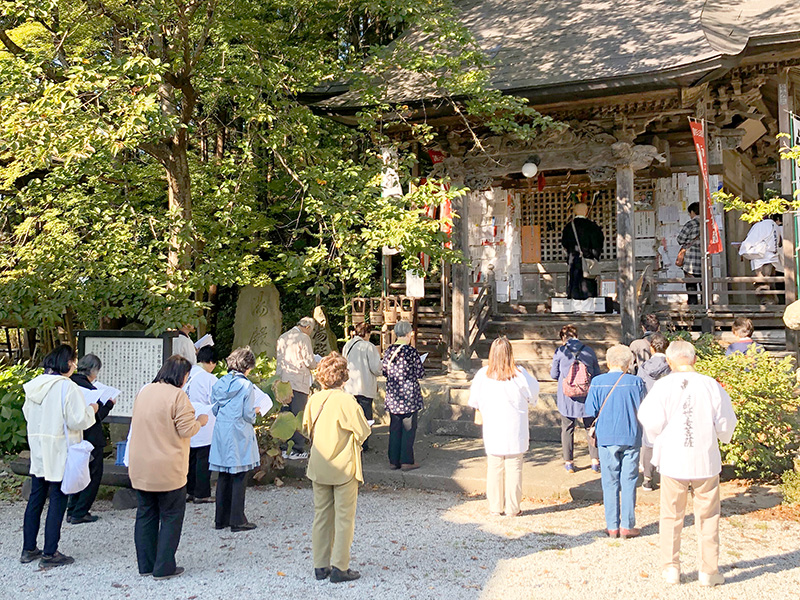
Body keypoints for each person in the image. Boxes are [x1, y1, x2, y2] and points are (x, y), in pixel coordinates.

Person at [638, 341, 737, 587]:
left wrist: (657, 437)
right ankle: (708, 571)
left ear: (669, 362)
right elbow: (726, 422)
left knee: (671, 515)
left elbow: (649, 420)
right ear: (693, 360)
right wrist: (720, 436)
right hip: (704, 457)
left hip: (673, 459)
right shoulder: (710, 384)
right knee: (709, 516)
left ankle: (671, 568)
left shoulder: (663, 386)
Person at [128, 355, 207, 579]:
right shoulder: (178, 396)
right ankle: (164, 567)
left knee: (146, 514)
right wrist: (200, 421)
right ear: (181, 376)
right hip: (168, 467)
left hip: (141, 465)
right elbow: (186, 430)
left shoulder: (145, 391)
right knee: (171, 516)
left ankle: (145, 565)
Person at [21, 345, 98, 568]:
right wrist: (92, 408)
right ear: (66, 363)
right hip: (60, 448)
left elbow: (28, 415)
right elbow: (77, 421)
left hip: (39, 448)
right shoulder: (67, 387)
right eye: (73, 361)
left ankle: (28, 549)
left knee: (36, 497)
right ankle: (50, 552)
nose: (74, 365)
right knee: (58, 499)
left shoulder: (34, 385)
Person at [303, 353, 371, 584]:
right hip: (343, 466)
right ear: (344, 376)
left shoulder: (314, 400)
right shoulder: (346, 401)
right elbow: (363, 431)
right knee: (344, 518)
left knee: (321, 515)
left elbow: (305, 428)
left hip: (319, 465)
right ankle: (340, 566)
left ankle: (320, 565)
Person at [468, 337, 540, 517]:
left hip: (493, 426)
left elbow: (474, 400)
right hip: (515, 427)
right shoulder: (520, 375)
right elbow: (533, 396)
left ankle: (495, 506)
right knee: (514, 467)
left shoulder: (482, 375)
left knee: (494, 467)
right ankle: (513, 508)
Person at [585, 345, 645, 538]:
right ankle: (627, 524)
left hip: (606, 436)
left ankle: (612, 525)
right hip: (631, 434)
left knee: (609, 481)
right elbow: (644, 409)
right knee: (629, 481)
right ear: (629, 363)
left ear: (608, 361)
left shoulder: (597, 382)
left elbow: (590, 410)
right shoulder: (636, 382)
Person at [209, 346, 260, 532]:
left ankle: (220, 519)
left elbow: (214, 407)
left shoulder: (220, 382)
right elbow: (248, 414)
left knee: (224, 474)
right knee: (239, 474)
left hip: (221, 428)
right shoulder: (246, 385)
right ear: (247, 366)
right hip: (238, 429)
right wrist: (256, 412)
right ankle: (237, 519)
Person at [67, 354, 115, 524]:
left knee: (77, 471)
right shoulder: (90, 389)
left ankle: (72, 509)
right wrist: (109, 404)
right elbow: (97, 415)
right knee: (93, 475)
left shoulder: (69, 384)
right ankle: (80, 512)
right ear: (93, 370)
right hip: (91, 437)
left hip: (73, 436)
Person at [550, 325, 601, 473]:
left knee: (567, 428)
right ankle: (595, 462)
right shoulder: (589, 350)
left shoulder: (560, 352)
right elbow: (597, 374)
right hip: (586, 395)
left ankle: (569, 463)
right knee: (590, 427)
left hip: (567, 397)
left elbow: (554, 374)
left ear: (563, 337)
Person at [382, 320, 425, 471]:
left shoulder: (389, 351)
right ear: (408, 334)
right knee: (408, 428)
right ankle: (406, 460)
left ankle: (393, 461)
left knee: (394, 428)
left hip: (394, 394)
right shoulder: (411, 351)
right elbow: (420, 372)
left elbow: (384, 371)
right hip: (409, 395)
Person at [276, 316, 317, 459]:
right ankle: (296, 449)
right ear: (307, 327)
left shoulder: (283, 337)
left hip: (283, 383)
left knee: (285, 414)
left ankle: (283, 447)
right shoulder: (304, 338)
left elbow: (279, 361)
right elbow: (309, 361)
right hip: (299, 381)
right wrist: (317, 363)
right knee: (298, 414)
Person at [637, 333, 671, 492]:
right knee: (669, 442)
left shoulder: (644, 367)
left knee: (648, 442)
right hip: (669, 407)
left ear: (651, 348)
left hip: (649, 406)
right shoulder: (672, 365)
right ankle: (668, 475)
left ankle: (647, 479)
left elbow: (639, 387)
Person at [184, 346, 219, 504]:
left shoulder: (187, 373)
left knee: (189, 458)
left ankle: (188, 491)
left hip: (186, 419)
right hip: (204, 422)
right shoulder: (208, 378)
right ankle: (202, 493)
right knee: (203, 459)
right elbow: (217, 400)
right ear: (211, 362)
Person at [342, 322, 382, 451]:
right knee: (365, 416)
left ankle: (351, 441)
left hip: (349, 386)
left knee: (351, 415)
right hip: (364, 386)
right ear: (367, 333)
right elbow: (376, 368)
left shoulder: (347, 345)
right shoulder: (369, 347)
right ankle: (363, 443)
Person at [560, 202, 604, 299]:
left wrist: (571, 254)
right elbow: (598, 243)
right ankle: (588, 308)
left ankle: (575, 307)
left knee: (574, 283)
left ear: (575, 212)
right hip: (588, 260)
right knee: (588, 284)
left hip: (574, 259)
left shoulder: (569, 227)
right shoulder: (592, 226)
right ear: (586, 211)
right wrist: (593, 255)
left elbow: (564, 243)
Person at [739, 214, 782, 304]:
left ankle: (766, 304)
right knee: (770, 282)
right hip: (772, 257)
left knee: (762, 282)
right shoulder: (775, 226)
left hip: (762, 258)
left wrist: (743, 249)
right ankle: (773, 302)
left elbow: (751, 241)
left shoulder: (761, 225)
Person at [676, 202, 702, 305]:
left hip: (691, 260)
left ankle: (693, 307)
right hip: (704, 259)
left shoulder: (691, 224)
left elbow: (680, 239)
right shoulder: (707, 224)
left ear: (692, 212)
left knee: (691, 285)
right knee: (704, 285)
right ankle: (706, 305)